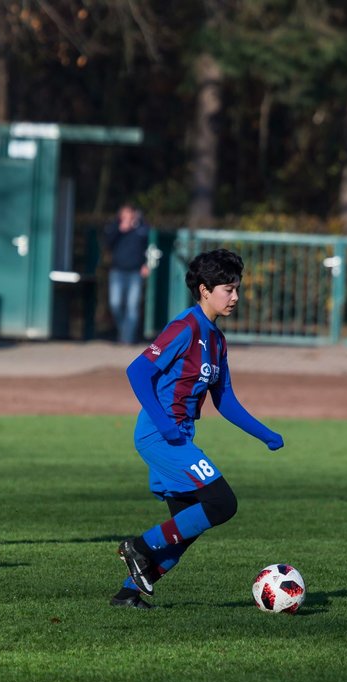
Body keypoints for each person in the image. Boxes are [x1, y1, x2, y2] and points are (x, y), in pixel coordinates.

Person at [112, 248, 284, 609]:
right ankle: (138, 546)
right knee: (223, 502)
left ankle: (128, 594)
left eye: (237, 288)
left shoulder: (217, 340)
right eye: (228, 289)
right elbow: (137, 371)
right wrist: (165, 425)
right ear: (204, 290)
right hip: (160, 436)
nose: (235, 297)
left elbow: (226, 400)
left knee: (185, 530)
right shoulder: (185, 327)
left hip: (178, 436)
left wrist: (265, 434)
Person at [102, 202, 150, 345]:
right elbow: (107, 244)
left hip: (135, 272)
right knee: (115, 304)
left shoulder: (142, 229)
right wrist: (119, 230)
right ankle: (124, 331)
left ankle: (126, 340)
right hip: (117, 271)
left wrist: (146, 264)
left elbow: (149, 246)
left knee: (132, 306)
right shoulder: (114, 228)